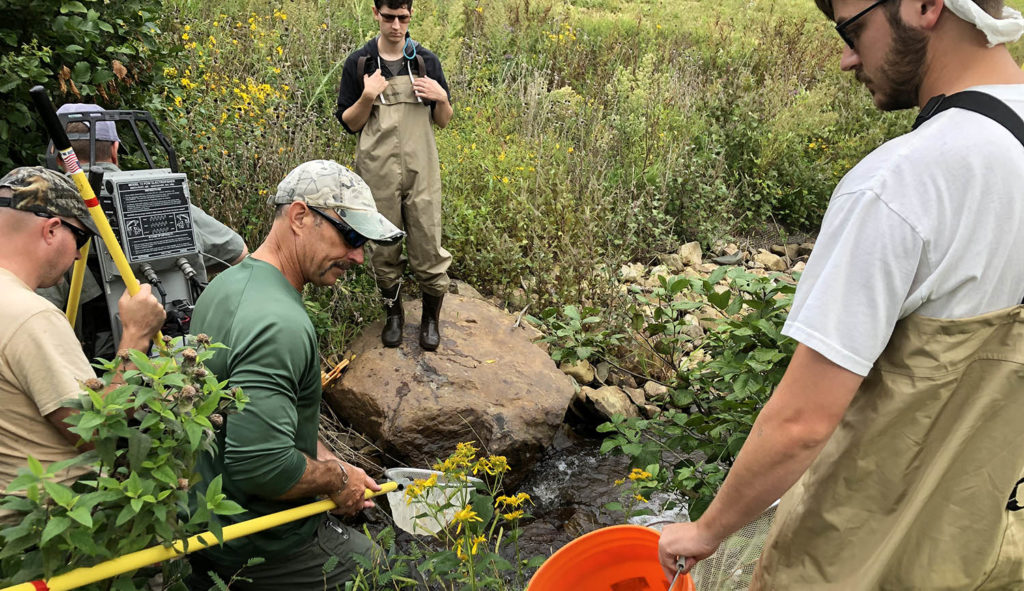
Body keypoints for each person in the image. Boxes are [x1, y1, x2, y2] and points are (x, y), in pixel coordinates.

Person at [658, 0, 1024, 588]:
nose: (847, 59)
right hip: (996, 551)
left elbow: (802, 422)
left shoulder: (902, 181)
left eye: (853, 30)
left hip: (867, 557)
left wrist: (706, 531)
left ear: (928, 6)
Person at [185, 160, 404, 589]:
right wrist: (338, 480)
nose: (358, 256)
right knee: (385, 572)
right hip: (260, 542)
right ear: (300, 216)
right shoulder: (280, 324)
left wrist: (325, 458)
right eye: (352, 236)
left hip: (206, 517)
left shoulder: (226, 285)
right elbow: (262, 465)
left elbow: (252, 419)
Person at [0, 166, 165, 512]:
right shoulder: (31, 316)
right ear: (52, 229)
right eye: (80, 238)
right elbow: (94, 432)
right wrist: (135, 337)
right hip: (49, 530)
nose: (78, 255)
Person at [38, 103, 249, 329]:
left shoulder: (46, 218)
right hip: (185, 351)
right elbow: (239, 254)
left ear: (57, 157)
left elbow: (40, 315)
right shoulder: (165, 196)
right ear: (114, 150)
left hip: (98, 360)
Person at [335, 0, 454, 351]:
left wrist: (442, 98)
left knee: (429, 244)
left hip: (422, 168)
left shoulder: (425, 61)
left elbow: (443, 120)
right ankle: (394, 316)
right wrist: (368, 96)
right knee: (383, 247)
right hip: (377, 169)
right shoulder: (360, 63)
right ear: (376, 13)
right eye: (389, 17)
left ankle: (431, 320)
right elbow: (350, 123)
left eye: (403, 18)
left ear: (411, 15)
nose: (396, 26)